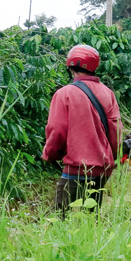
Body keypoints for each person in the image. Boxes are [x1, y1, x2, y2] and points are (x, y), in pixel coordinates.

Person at [42, 44, 122, 217]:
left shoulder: (64, 93)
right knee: (92, 216)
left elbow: (56, 130)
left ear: (71, 66)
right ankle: (91, 242)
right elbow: (116, 131)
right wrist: (111, 157)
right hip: (102, 168)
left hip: (75, 168)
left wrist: (50, 154)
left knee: (60, 217)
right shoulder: (108, 93)